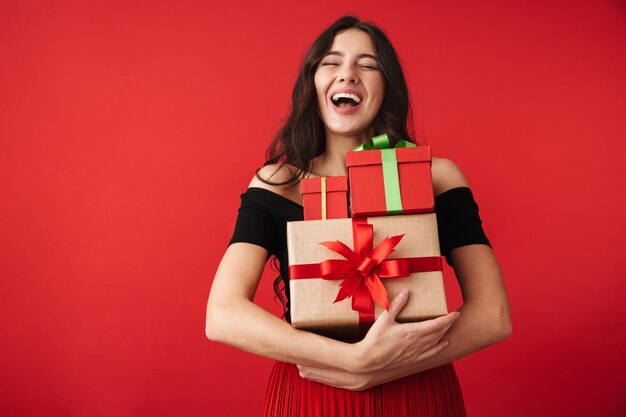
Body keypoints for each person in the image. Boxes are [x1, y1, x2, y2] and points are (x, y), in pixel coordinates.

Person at [205, 15, 512, 417]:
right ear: (312, 82)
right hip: (313, 393)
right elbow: (222, 315)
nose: (348, 74)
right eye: (332, 62)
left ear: (387, 87)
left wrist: (383, 368)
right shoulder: (279, 182)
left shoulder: (434, 176)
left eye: (367, 65)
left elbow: (494, 316)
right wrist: (352, 362)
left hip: (416, 392)